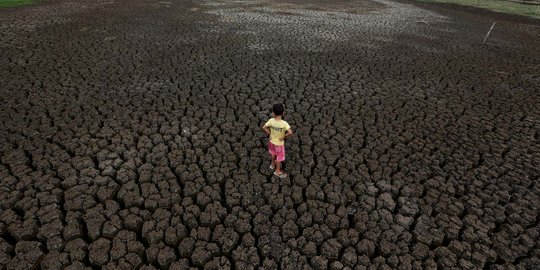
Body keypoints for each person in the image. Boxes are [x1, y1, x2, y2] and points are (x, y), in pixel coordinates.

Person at [261, 104, 293, 178]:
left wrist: (269, 133)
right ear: (283, 113)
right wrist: (284, 136)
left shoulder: (271, 121)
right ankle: (277, 171)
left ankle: (272, 165)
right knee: (279, 158)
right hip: (279, 144)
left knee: (273, 153)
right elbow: (290, 132)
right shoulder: (284, 123)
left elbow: (264, 127)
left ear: (273, 113)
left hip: (271, 141)